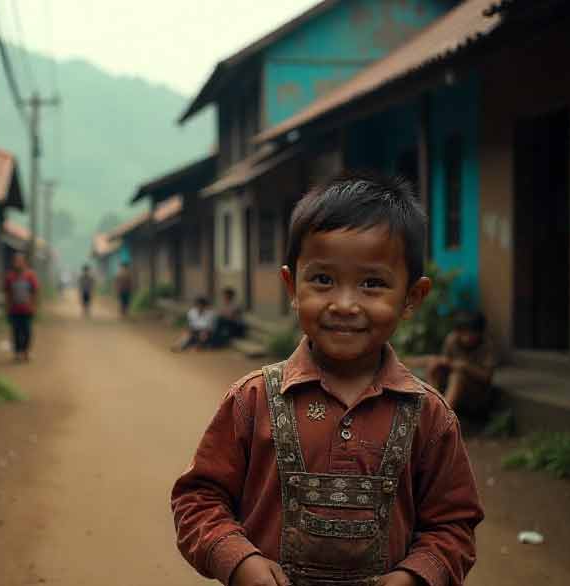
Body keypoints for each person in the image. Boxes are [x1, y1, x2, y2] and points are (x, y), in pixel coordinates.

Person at [172, 173, 483, 586]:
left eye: (372, 284)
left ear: (412, 296)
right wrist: (239, 560)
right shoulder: (253, 400)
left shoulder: (429, 416)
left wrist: (416, 575)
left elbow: (453, 524)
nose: (344, 304)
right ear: (292, 285)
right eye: (322, 280)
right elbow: (198, 499)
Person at [427, 311, 496, 416]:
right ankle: (433, 407)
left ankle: (443, 415)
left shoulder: (486, 345)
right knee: (434, 366)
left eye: (471, 333)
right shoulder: (452, 340)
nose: (467, 337)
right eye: (463, 332)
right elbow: (445, 361)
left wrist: (465, 367)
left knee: (458, 375)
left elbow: (487, 377)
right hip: (451, 387)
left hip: (476, 394)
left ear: (479, 332)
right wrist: (442, 363)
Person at [5, 253, 39, 362]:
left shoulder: (30, 275)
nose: (17, 263)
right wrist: (7, 308)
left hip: (27, 309)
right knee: (15, 331)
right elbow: (7, 293)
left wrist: (34, 306)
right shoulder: (10, 276)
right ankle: (17, 353)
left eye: (19, 261)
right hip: (14, 310)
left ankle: (26, 352)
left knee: (27, 331)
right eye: (15, 261)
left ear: (24, 262)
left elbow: (35, 292)